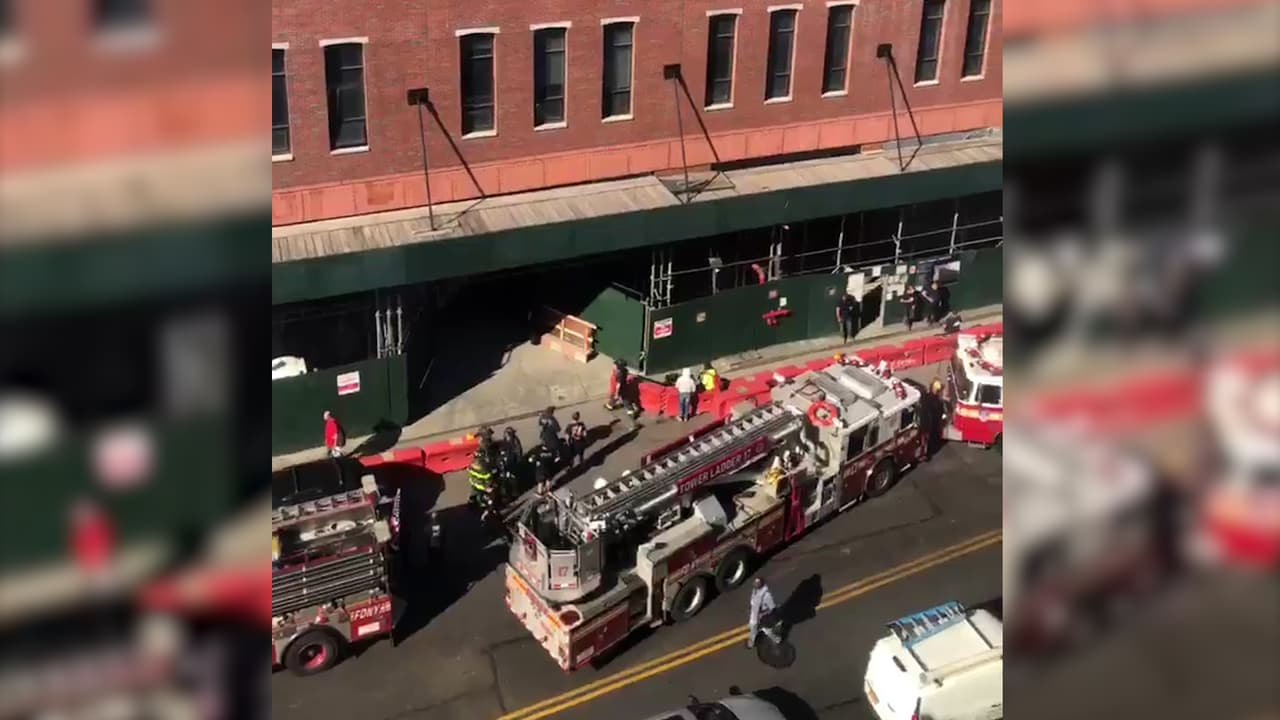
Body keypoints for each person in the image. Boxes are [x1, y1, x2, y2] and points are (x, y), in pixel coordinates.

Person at [747, 577, 777, 650]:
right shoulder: (755, 591)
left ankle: (776, 639)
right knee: (753, 630)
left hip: (762, 617)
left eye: (757, 584)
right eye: (755, 583)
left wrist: (762, 613)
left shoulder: (766, 596)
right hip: (754, 616)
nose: (755, 584)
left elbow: (772, 607)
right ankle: (751, 643)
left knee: (766, 630)